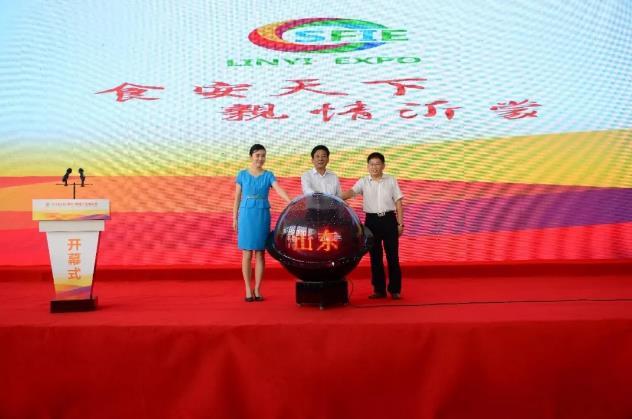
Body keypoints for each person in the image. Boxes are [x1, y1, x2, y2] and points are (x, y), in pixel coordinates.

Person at [342, 152, 404, 299]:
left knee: (393, 256)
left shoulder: (391, 180)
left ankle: (395, 290)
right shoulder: (363, 181)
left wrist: (400, 223)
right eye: (371, 164)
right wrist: (333, 196)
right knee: (375, 257)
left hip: (389, 220)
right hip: (371, 222)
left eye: (377, 164)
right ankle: (379, 290)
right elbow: (351, 192)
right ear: (368, 166)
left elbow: (398, 202)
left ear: (383, 165)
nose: (374, 167)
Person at [233, 144, 291, 302]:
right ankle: (247, 288)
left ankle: (257, 288)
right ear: (251, 156)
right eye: (257, 155)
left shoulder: (268, 175)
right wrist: (234, 218)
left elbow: (278, 189)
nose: (260, 158)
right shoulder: (242, 174)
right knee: (247, 253)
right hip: (246, 215)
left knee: (260, 252)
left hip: (262, 215)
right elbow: (237, 198)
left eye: (263, 155)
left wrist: (291, 201)